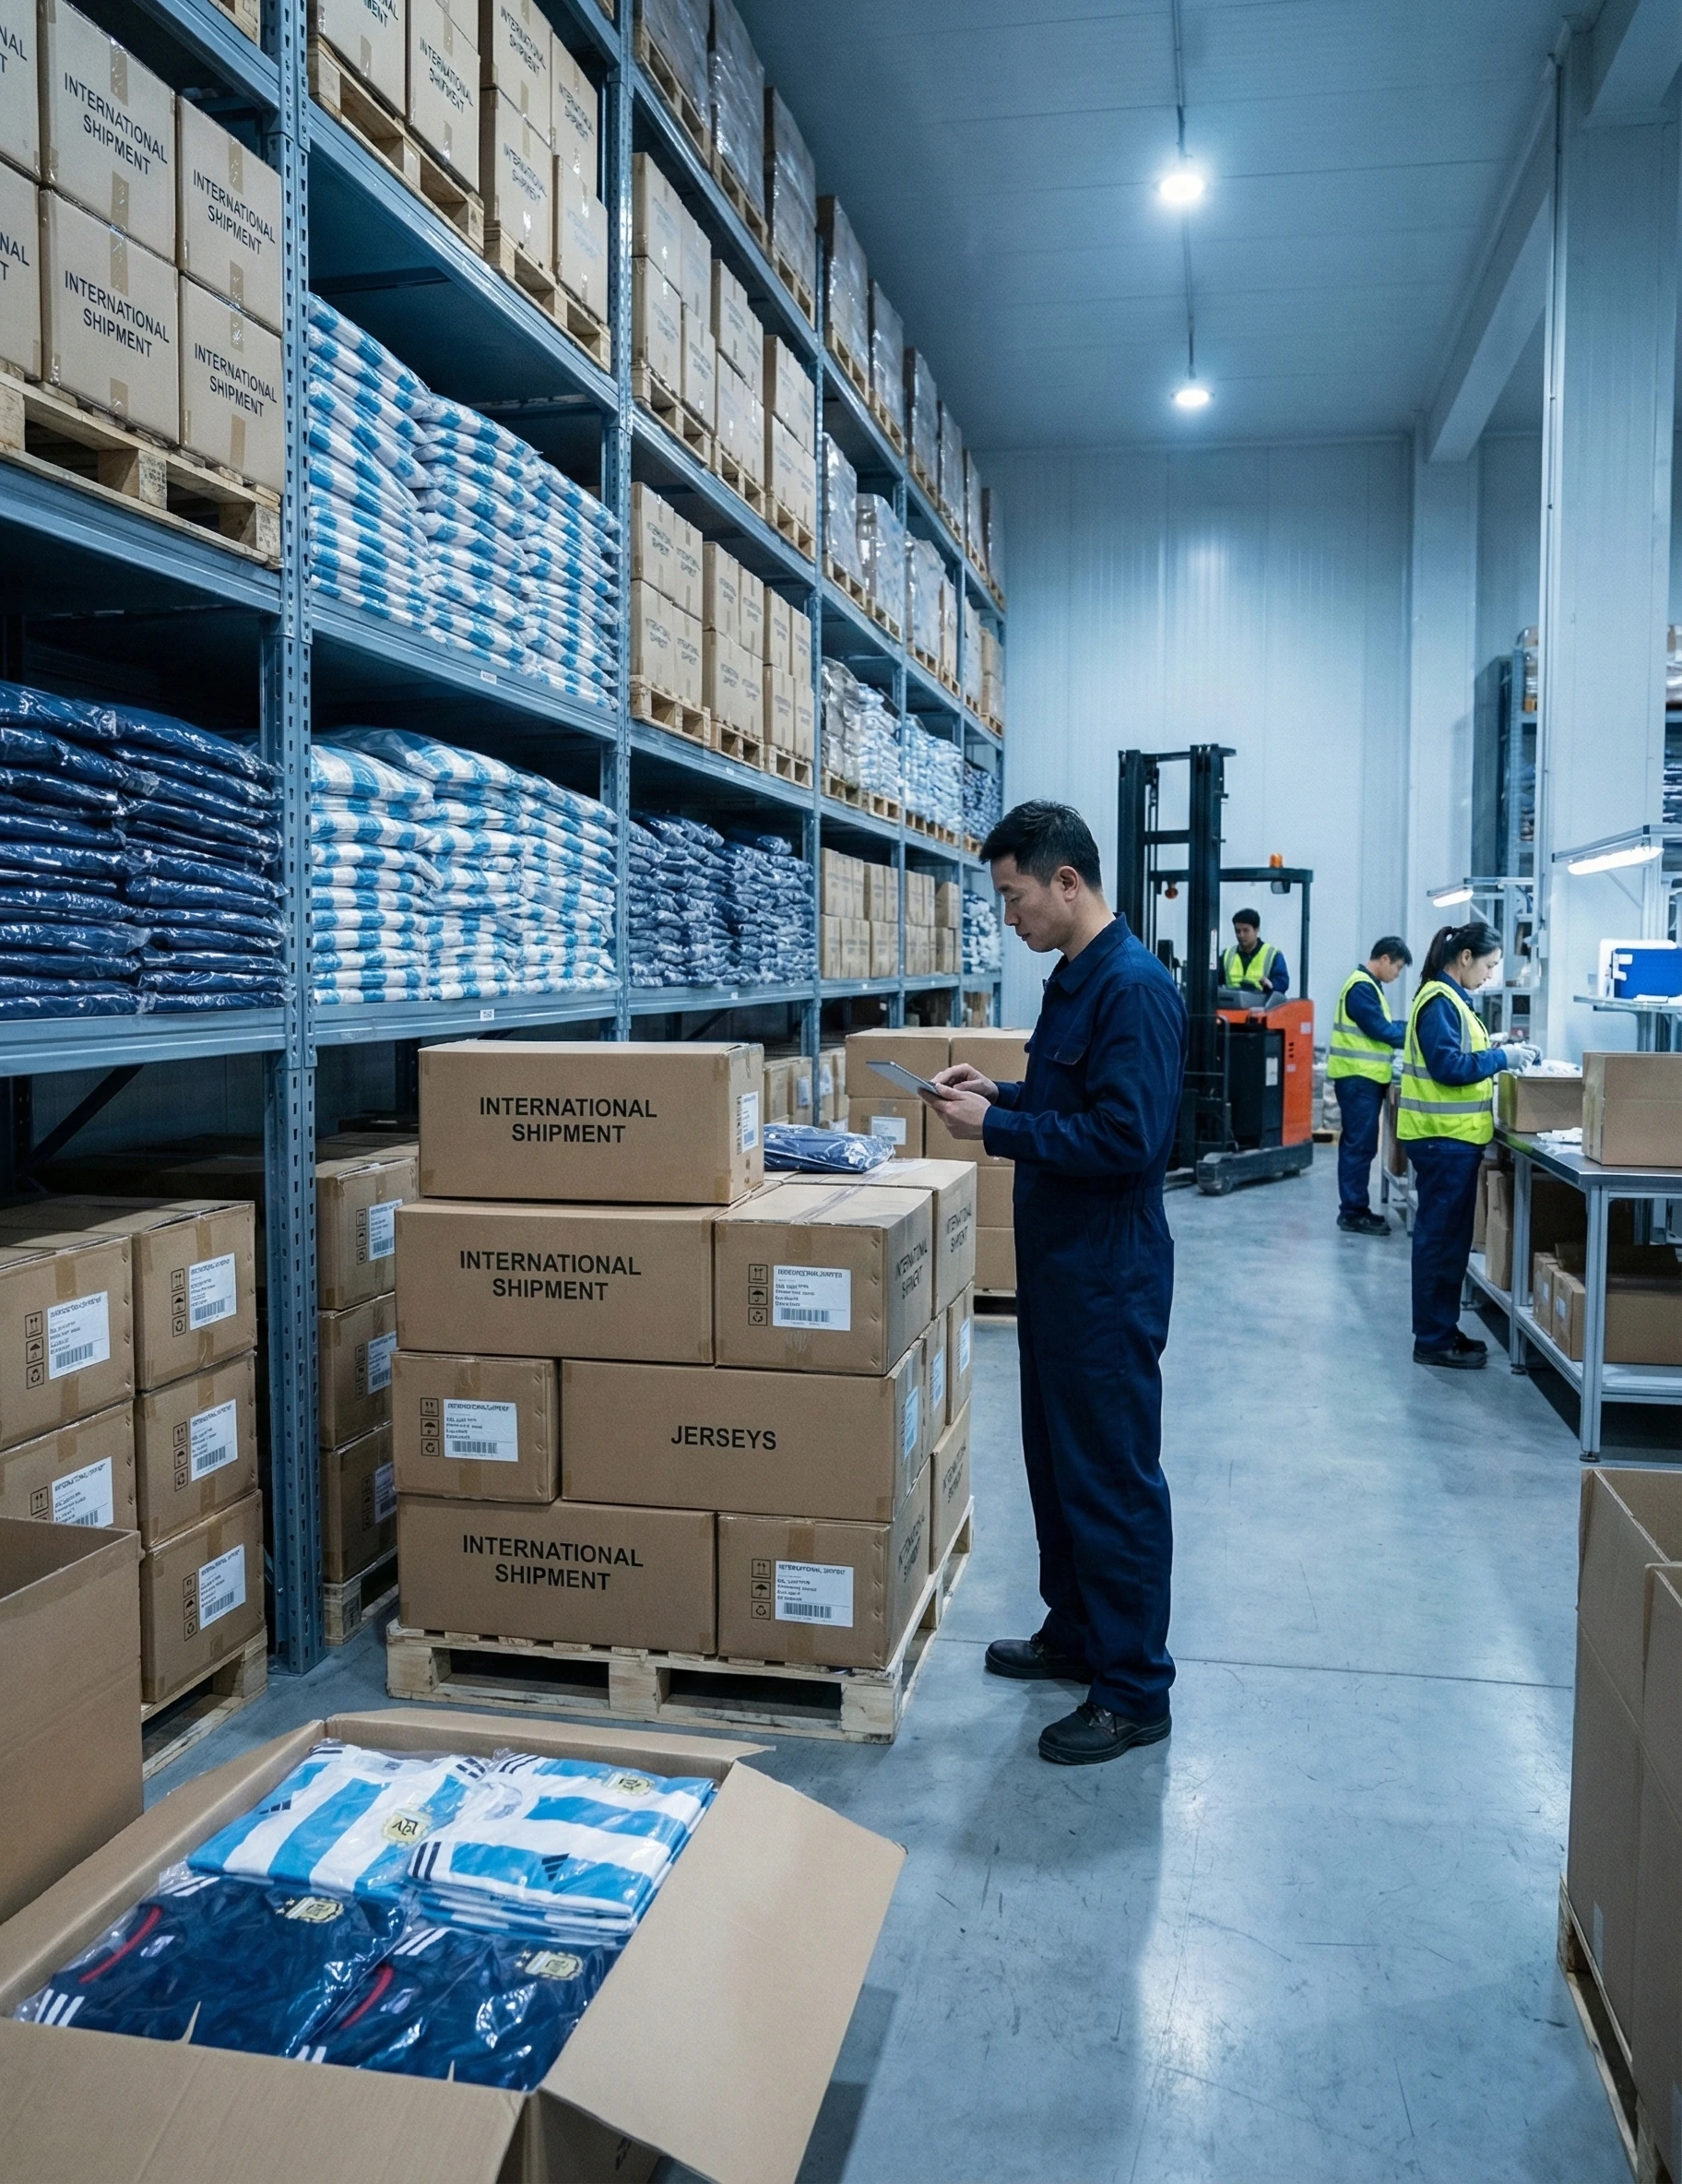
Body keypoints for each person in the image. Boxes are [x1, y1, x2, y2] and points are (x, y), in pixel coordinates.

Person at [924, 801, 1188, 1767]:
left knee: (1112, 1478)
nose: (1009, 916)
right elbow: (1076, 1099)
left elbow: (1129, 1137)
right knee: (1057, 1462)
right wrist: (1003, 1096)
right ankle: (1076, 1632)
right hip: (1062, 1272)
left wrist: (992, 1133)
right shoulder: (1076, 980)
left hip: (1108, 1274)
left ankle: (1132, 1689)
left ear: (1066, 882)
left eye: (1014, 895)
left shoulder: (1135, 988)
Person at [1398, 920, 1534, 1370]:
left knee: (1450, 1243)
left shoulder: (1453, 1000)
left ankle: (1441, 1327)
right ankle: (1432, 1340)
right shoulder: (1439, 1001)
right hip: (1442, 1142)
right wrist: (1501, 1057)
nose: (1491, 975)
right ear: (1465, 958)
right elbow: (1448, 1066)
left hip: (1451, 1142)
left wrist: (1494, 1048)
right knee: (1439, 1243)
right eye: (1490, 966)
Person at [1327, 936, 1412, 1238]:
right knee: (1358, 1147)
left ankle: (1357, 1208)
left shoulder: (1369, 987)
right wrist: (1418, 1031)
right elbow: (1382, 1031)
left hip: (1364, 1080)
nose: (1397, 975)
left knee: (1362, 1146)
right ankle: (1351, 1213)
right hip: (1358, 1079)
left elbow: (1384, 1027)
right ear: (1385, 958)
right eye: (1398, 968)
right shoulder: (1361, 988)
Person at [1222, 909, 1289, 996]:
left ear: (1256, 930)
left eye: (1246, 930)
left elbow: (1282, 982)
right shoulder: (1227, 955)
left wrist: (1272, 985)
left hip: (1261, 1006)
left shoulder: (1272, 955)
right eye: (1237, 931)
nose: (1241, 935)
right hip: (1232, 1005)